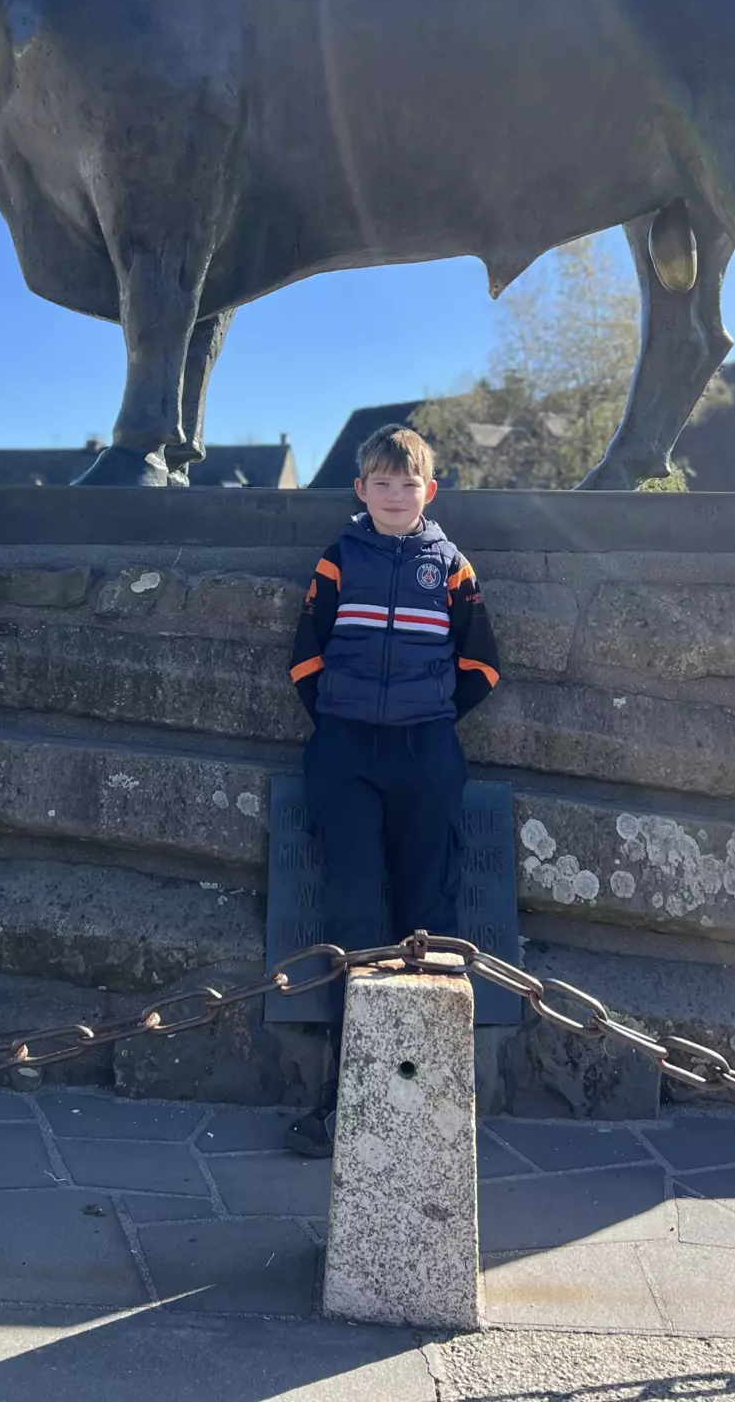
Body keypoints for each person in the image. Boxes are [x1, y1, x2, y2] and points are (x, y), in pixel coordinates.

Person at [285, 423, 500, 1157]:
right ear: (361, 491)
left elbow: (482, 664)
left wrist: (427, 721)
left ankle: (428, 1099)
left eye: (408, 483)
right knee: (351, 914)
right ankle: (349, 1097)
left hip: (426, 753)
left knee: (428, 916)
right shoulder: (338, 559)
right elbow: (305, 653)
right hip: (345, 753)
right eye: (382, 483)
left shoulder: (453, 567)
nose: (395, 494)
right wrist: (345, 724)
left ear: (428, 491)